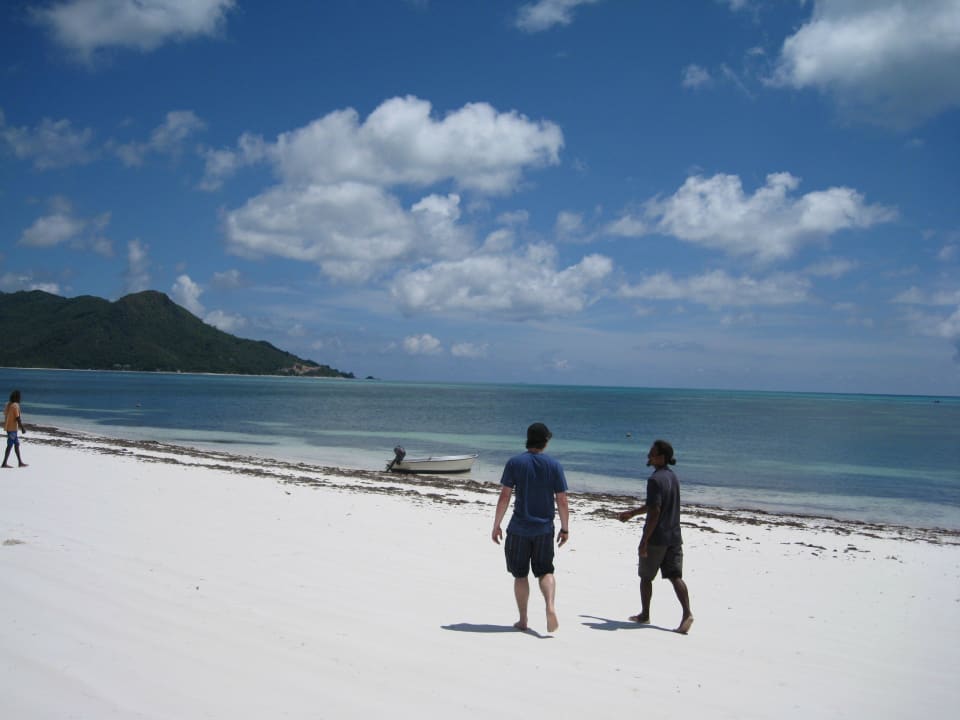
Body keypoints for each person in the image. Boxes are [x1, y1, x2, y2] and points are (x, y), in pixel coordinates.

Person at [492, 422, 570, 633]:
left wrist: (496, 525)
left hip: (519, 528)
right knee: (545, 571)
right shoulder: (554, 465)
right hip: (544, 529)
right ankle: (550, 606)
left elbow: (505, 496)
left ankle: (523, 619)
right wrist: (565, 528)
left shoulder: (515, 463)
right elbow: (562, 500)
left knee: (520, 575)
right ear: (545, 441)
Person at [617, 439, 693, 634]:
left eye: (652, 453)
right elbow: (653, 506)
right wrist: (632, 513)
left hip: (657, 538)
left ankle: (645, 614)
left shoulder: (654, 480)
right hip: (674, 536)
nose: (648, 456)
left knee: (646, 577)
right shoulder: (672, 477)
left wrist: (644, 541)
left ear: (661, 457)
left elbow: (655, 512)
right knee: (675, 577)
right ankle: (687, 614)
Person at [3, 389, 28, 468]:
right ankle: (4, 463)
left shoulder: (8, 404)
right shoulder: (15, 405)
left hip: (8, 427)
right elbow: (18, 418)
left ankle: (20, 462)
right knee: (10, 445)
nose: (20, 398)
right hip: (12, 429)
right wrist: (22, 428)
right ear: (17, 397)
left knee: (16, 444)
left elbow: (5, 413)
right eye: (19, 397)